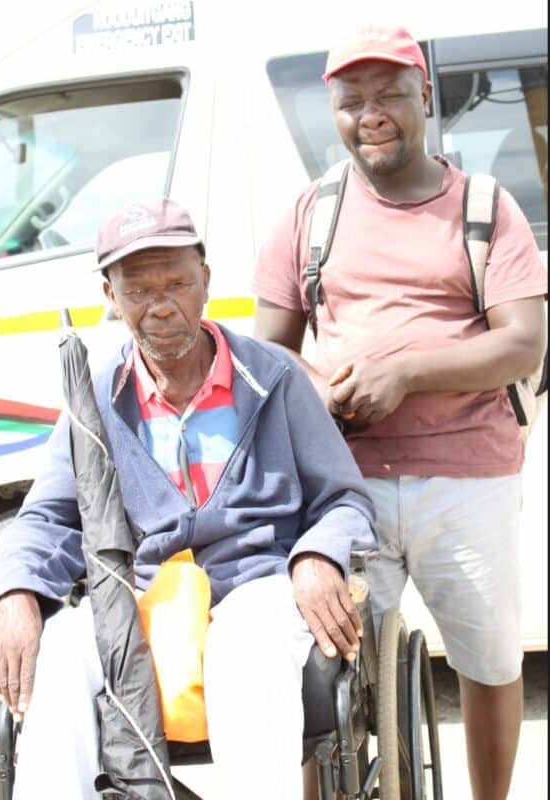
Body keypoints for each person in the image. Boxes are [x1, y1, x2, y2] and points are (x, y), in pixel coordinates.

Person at [0, 197, 378, 800]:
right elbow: (47, 518)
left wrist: (318, 555)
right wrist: (15, 592)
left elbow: (344, 499)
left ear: (206, 284)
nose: (161, 305)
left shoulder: (273, 378)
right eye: (138, 290)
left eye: (177, 283)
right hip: (140, 600)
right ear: (111, 299)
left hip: (256, 587)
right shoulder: (96, 401)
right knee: (60, 655)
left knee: (247, 648)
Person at [252, 22, 547, 800]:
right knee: (327, 670)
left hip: (469, 478)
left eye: (389, 95)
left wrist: (405, 373)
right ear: (335, 114)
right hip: (346, 485)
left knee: (488, 663)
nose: (370, 114)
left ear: (425, 96)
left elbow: (522, 344)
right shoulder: (308, 214)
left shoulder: (485, 207)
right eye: (352, 101)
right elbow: (269, 348)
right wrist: (312, 387)